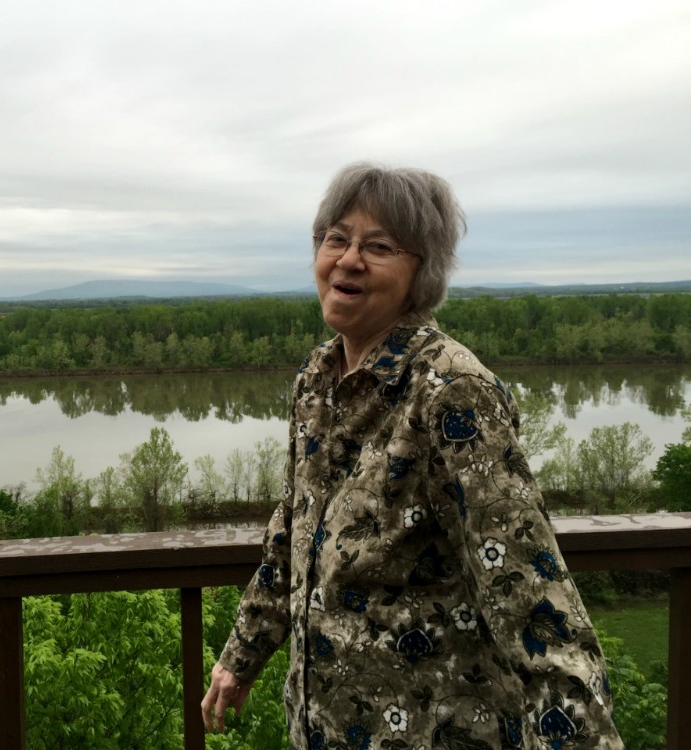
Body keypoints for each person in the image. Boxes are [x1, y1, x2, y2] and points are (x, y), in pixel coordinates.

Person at [201, 163, 623, 748]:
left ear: (421, 273)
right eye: (336, 238)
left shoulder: (451, 391)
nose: (349, 259)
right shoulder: (317, 378)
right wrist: (241, 655)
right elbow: (293, 531)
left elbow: (528, 591)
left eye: (379, 246)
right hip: (324, 729)